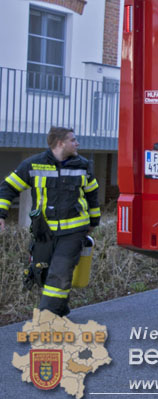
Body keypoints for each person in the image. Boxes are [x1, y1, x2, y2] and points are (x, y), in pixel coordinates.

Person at [0, 127, 100, 316]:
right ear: (60, 143)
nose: (77, 143)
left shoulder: (83, 165)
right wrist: (1, 213)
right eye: (73, 140)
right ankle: (59, 308)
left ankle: (47, 316)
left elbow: (92, 195)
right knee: (44, 275)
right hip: (44, 232)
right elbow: (8, 187)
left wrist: (94, 221)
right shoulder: (33, 164)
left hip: (74, 231)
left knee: (60, 272)